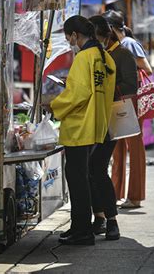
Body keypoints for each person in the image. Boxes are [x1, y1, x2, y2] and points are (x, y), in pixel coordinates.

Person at [50, 15, 116, 245]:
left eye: (69, 37)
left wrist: (54, 106)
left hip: (79, 126)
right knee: (81, 178)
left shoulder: (83, 58)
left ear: (76, 35)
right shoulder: (105, 57)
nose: (69, 41)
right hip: (97, 123)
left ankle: (83, 231)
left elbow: (77, 94)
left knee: (77, 180)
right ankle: (80, 227)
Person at [87, 15, 139, 239]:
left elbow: (131, 86)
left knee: (97, 166)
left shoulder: (123, 54)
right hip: (92, 117)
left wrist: (105, 85)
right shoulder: (94, 54)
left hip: (112, 118)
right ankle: (99, 216)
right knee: (90, 169)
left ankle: (111, 220)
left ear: (104, 35)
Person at [102, 10, 148, 209]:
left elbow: (148, 69)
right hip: (121, 99)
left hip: (131, 99)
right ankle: (116, 192)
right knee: (118, 148)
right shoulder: (118, 45)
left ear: (110, 29)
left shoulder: (128, 44)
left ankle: (135, 196)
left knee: (134, 148)